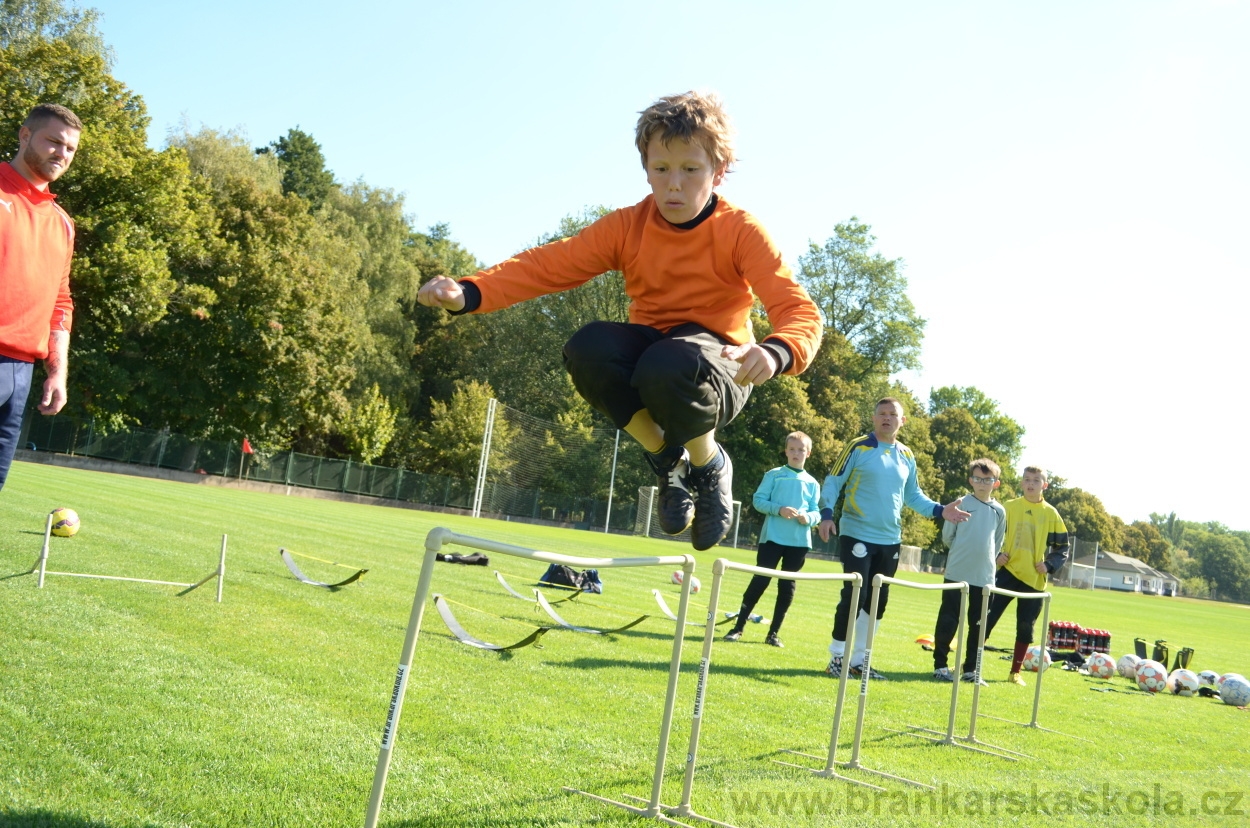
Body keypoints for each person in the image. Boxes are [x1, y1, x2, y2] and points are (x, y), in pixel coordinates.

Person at [416, 92, 822, 550]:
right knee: (588, 347)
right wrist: (470, 291)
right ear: (645, 168)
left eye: (691, 170)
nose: (674, 185)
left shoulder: (741, 231)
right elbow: (550, 264)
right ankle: (668, 461)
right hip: (655, 351)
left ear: (718, 171)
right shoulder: (629, 227)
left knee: (668, 361)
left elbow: (798, 308)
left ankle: (710, 465)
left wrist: (775, 350)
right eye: (660, 169)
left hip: (720, 369)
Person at [818, 397, 969, 679]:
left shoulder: (907, 455)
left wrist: (940, 510)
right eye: (881, 414)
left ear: (902, 421)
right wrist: (826, 514)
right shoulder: (858, 447)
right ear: (874, 418)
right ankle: (837, 658)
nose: (887, 418)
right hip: (857, 533)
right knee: (855, 594)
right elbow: (833, 481)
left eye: (892, 414)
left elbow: (912, 495)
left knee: (877, 601)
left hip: (890, 539)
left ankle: (859, 661)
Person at [0, 103, 81, 492]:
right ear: (24, 135)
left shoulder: (63, 223)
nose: (61, 154)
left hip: (20, 374)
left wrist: (57, 372)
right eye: (54, 142)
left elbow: (60, 304)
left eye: (70, 149)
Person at [723, 431, 821, 647]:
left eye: (801, 450)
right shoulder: (774, 475)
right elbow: (758, 501)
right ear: (786, 451)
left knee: (787, 587)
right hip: (772, 540)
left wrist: (809, 518)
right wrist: (779, 509)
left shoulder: (812, 483)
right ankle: (738, 628)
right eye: (792, 449)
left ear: (808, 453)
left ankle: (773, 634)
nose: (796, 453)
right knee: (760, 581)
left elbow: (817, 512)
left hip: (799, 543)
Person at [982, 465, 1069, 685]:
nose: (1031, 484)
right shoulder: (1009, 507)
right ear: (1021, 483)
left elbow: (1062, 547)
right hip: (1007, 572)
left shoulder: (1051, 513)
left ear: (1044, 485)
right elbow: (989, 534)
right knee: (986, 618)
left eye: (1036, 480)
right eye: (1027, 479)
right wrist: (997, 554)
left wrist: (1049, 565)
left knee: (1025, 627)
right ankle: (969, 664)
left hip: (1033, 580)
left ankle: (1015, 673)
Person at [932, 458, 1006, 684]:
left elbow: (997, 541)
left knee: (978, 624)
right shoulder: (961, 503)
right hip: (957, 572)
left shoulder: (999, 511)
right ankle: (940, 666)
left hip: (984, 577)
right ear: (970, 480)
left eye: (987, 479)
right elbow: (948, 537)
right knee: (948, 619)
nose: (982, 483)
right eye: (977, 479)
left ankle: (971, 670)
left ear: (996, 483)